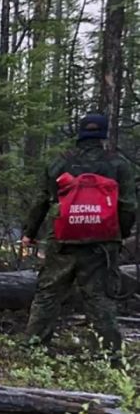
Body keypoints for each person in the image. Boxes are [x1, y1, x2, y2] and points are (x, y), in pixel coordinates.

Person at [21, 114, 136, 357]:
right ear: (103, 135)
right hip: (102, 244)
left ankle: (34, 347)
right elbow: (128, 206)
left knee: (48, 293)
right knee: (100, 296)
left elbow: (42, 200)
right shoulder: (118, 164)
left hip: (63, 240)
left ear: (80, 134)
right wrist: (120, 234)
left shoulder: (60, 163)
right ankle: (109, 354)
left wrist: (29, 233)